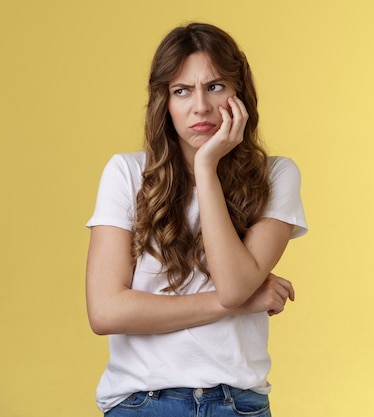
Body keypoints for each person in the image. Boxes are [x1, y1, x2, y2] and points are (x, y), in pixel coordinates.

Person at [85, 22, 308, 417]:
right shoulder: (126, 174)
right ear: (164, 102)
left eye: (215, 86)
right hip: (142, 403)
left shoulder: (276, 175)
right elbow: (106, 312)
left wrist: (206, 167)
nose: (200, 106)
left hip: (236, 404)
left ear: (239, 93)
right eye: (181, 90)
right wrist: (236, 305)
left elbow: (236, 285)